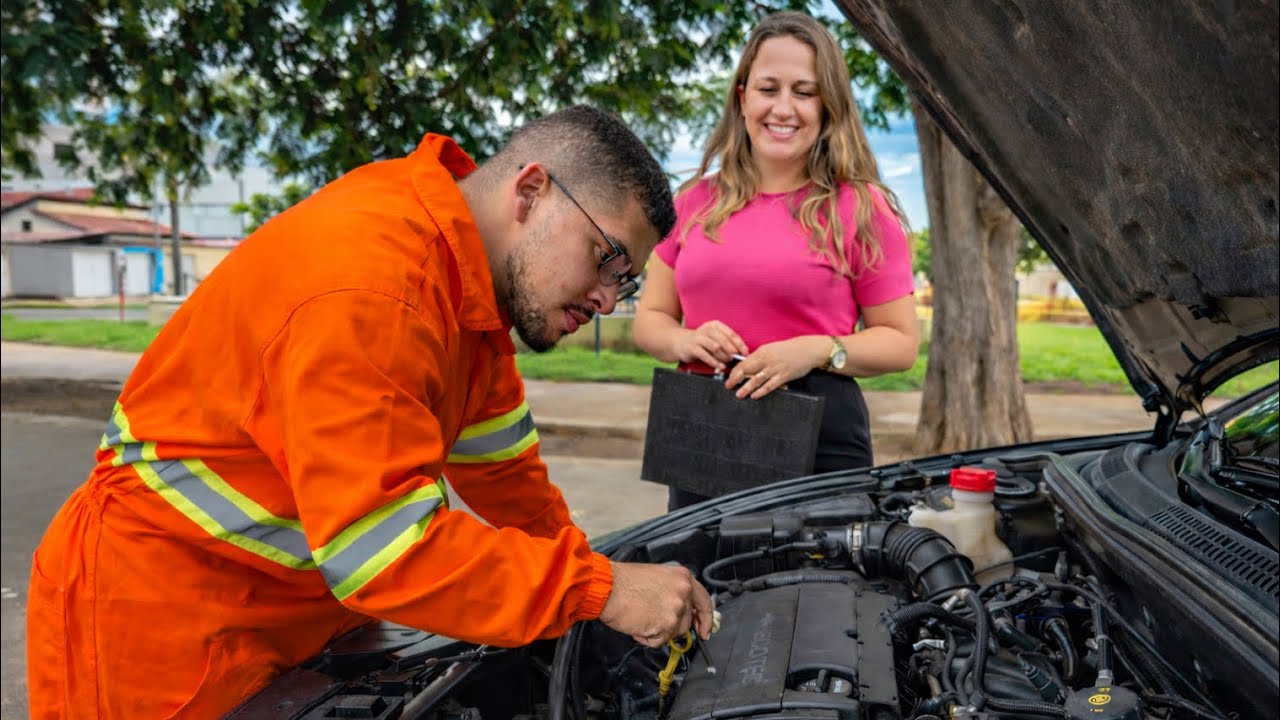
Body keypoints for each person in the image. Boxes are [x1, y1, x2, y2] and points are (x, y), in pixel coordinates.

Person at [27, 105, 713, 718]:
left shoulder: (468, 298)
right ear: (531, 191)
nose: (605, 298)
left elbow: (512, 486)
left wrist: (603, 586)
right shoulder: (375, 285)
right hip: (158, 618)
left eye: (624, 283)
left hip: (296, 617)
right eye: (607, 258)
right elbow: (386, 551)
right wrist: (597, 588)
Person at [633, 12, 919, 511]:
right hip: (706, 429)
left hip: (819, 437)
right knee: (699, 584)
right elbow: (650, 320)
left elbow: (899, 343)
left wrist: (813, 350)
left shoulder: (862, 208)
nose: (783, 108)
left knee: (814, 589)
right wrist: (685, 339)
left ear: (828, 105)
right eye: (769, 88)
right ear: (743, 97)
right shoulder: (692, 202)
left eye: (804, 91)